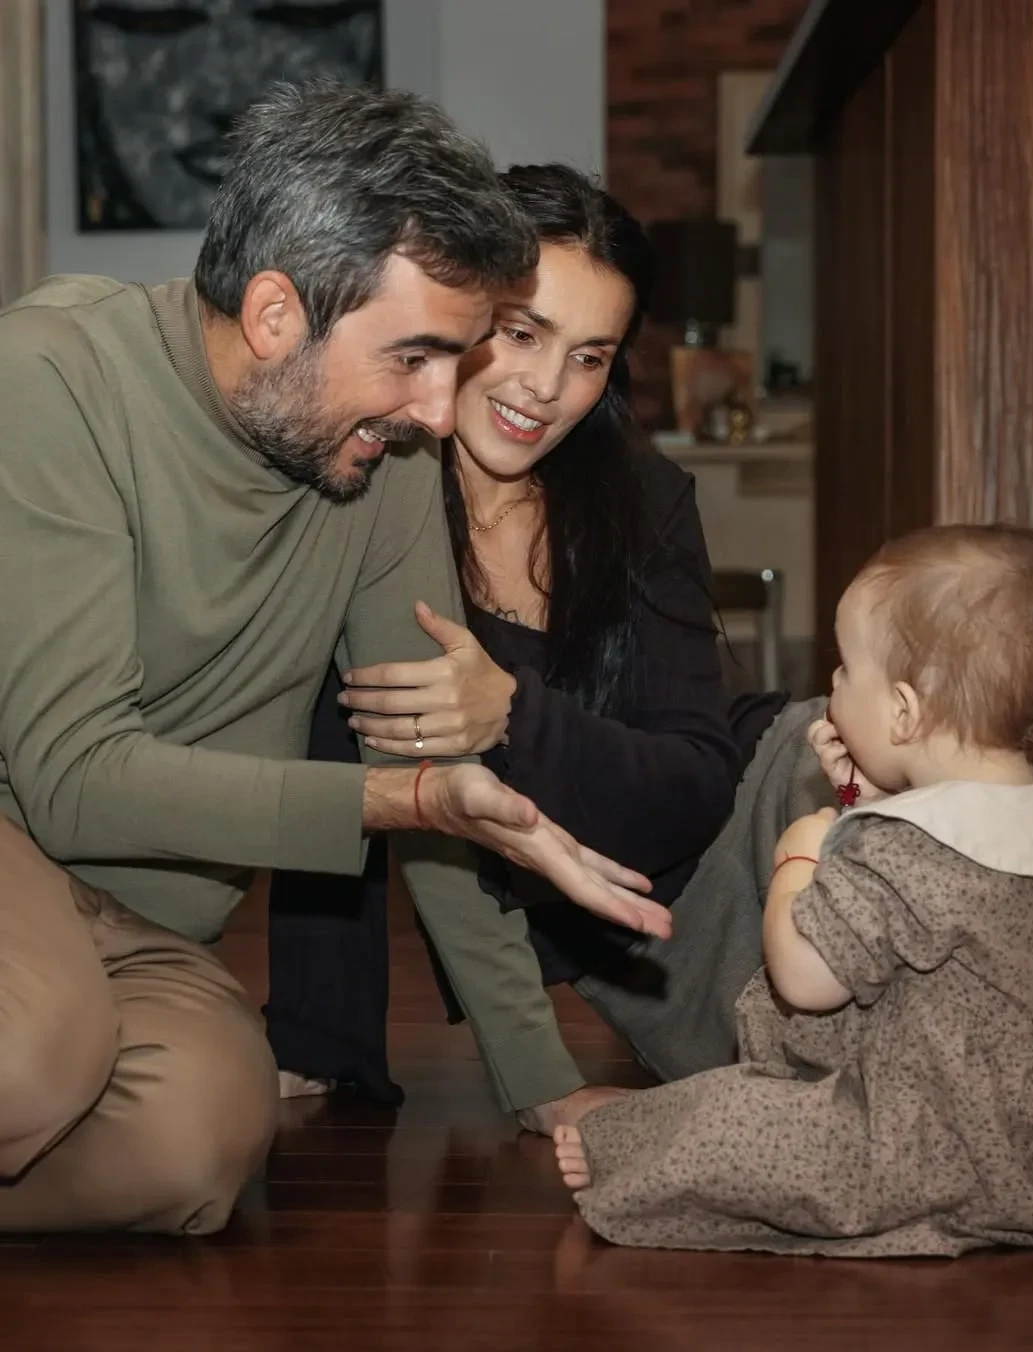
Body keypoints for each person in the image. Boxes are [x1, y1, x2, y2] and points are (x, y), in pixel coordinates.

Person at [0, 82, 672, 1235]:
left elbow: (429, 758)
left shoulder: (385, 463)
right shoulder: (52, 379)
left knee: (198, 1143)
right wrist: (403, 799)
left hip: (146, 927)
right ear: (275, 313)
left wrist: (543, 1079)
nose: (439, 411)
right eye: (414, 356)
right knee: (31, 1059)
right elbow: (73, 776)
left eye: (455, 361)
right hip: (18, 838)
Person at [265, 164, 787, 1099]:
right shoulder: (368, 489)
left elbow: (699, 784)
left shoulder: (643, 500)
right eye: (521, 333)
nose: (547, 388)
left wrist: (509, 710)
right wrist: (321, 1039)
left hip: (745, 831)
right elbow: (339, 752)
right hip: (646, 939)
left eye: (590, 357)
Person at [554, 523, 1033, 1258]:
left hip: (926, 1144)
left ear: (903, 711)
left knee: (734, 1116)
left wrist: (801, 854)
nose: (831, 683)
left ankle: (623, 1145)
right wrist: (863, 805)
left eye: (847, 668)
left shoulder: (901, 848)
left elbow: (804, 979)